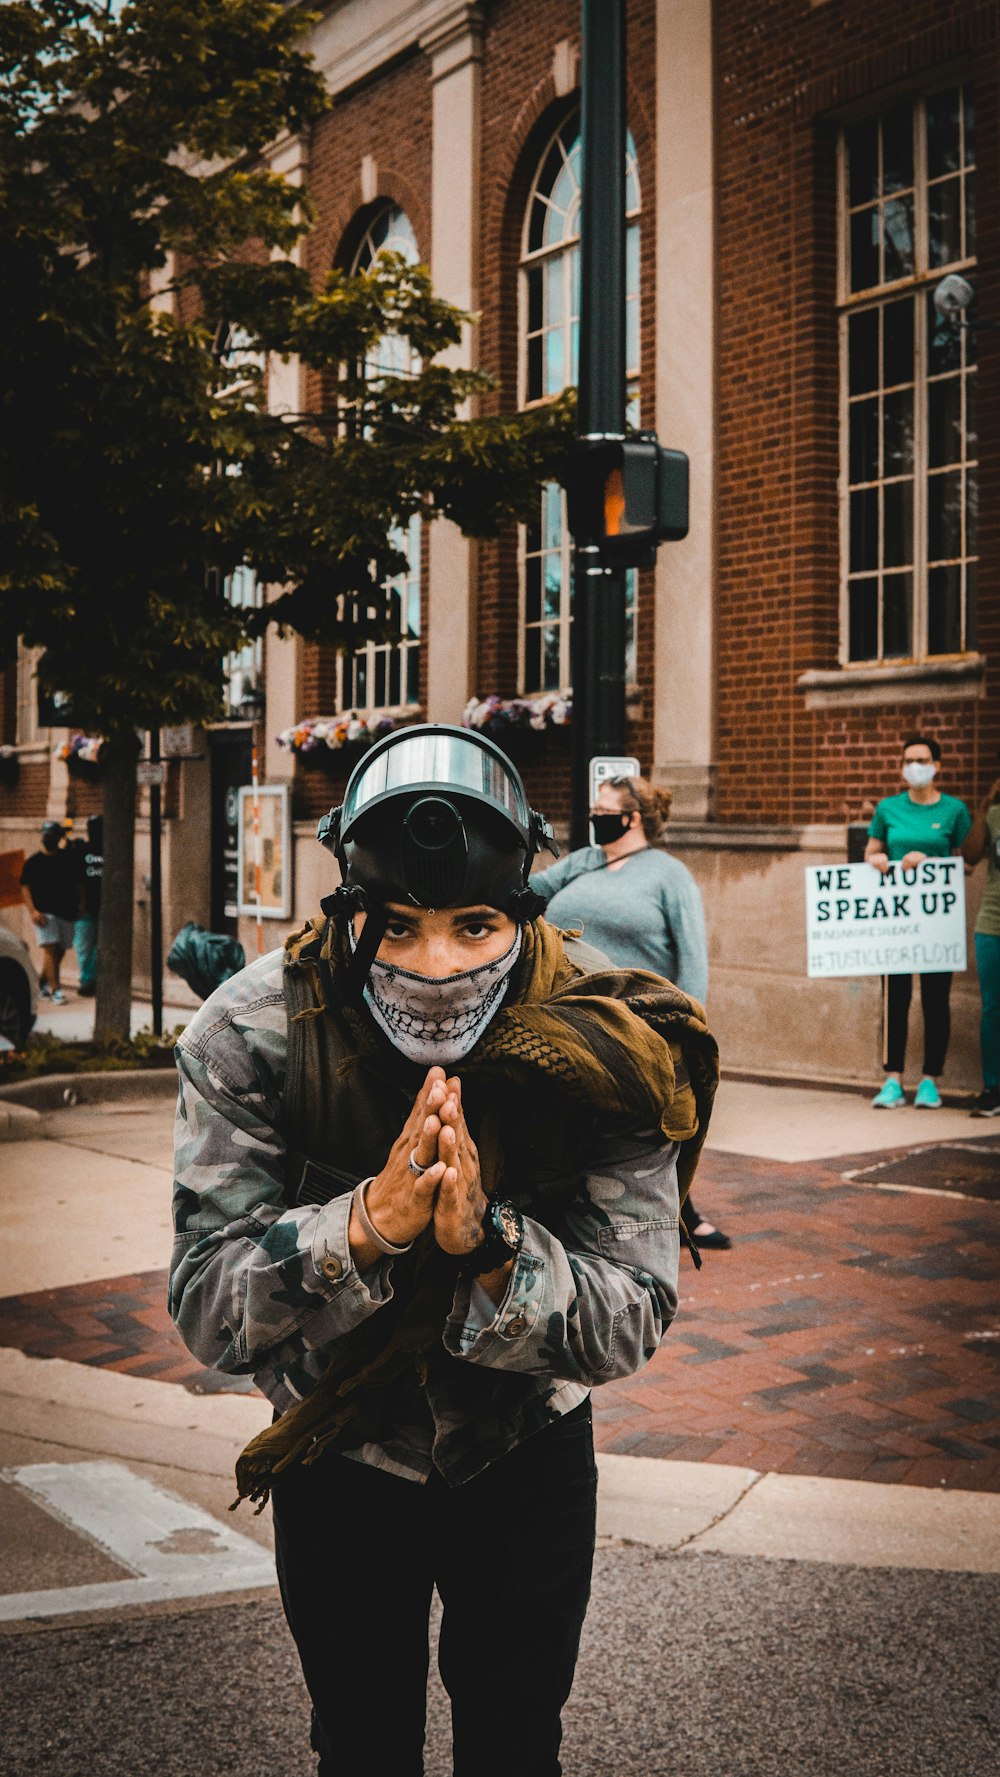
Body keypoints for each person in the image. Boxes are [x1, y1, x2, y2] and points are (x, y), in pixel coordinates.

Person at [169, 725, 718, 1777]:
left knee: (515, 1741)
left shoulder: (609, 1031)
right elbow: (207, 1305)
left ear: (520, 905)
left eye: (474, 924)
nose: (438, 965)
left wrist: (490, 1247)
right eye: (400, 926)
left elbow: (631, 1311)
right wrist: (363, 1226)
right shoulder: (253, 1031)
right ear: (351, 911)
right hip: (341, 1447)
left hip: (522, 1445)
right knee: (363, 1742)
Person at [529, 772, 730, 1251]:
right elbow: (529, 891)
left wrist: (689, 1024)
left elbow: (693, 956)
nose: (594, 818)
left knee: (652, 1126)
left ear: (632, 817)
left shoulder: (668, 874)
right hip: (569, 1012)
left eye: (602, 812)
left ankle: (678, 1210)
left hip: (638, 1020)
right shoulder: (584, 861)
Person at [865, 734, 971, 1109]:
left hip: (936, 924)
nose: (915, 766)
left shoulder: (955, 811)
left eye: (923, 759)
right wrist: (876, 860)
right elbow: (872, 850)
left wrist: (930, 865)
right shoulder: (888, 809)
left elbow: (968, 862)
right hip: (897, 924)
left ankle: (930, 1080)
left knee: (936, 1000)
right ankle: (892, 1079)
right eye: (909, 760)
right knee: (895, 998)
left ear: (936, 766)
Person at [961, 768, 1000, 1117]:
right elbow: (970, 854)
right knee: (991, 1009)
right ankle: (992, 1087)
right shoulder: (994, 814)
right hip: (993, 924)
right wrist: (987, 801)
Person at [19, 819, 79, 1005]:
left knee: (60, 951)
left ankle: (41, 983)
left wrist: (81, 904)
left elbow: (78, 883)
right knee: (50, 950)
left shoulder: (67, 858)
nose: (48, 838)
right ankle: (56, 990)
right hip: (44, 914)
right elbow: (24, 888)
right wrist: (33, 911)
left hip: (66, 911)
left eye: (52, 835)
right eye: (46, 835)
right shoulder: (33, 862)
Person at [69, 814, 102, 996]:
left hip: (105, 908)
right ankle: (87, 980)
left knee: (98, 947)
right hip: (85, 909)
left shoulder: (112, 849)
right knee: (84, 947)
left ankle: (92, 979)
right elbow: (75, 879)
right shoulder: (82, 850)